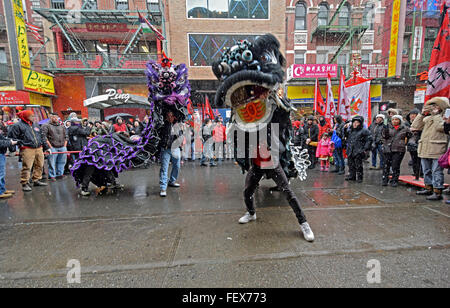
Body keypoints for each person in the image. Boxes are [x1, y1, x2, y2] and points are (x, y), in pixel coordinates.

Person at [411, 97, 450, 201]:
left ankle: (437, 191)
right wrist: (422, 114)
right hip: (425, 148)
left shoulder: (444, 117)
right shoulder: (428, 118)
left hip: (437, 148)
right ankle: (428, 187)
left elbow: (440, 127)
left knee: (436, 171)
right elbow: (414, 126)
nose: (433, 108)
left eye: (436, 106)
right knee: (426, 170)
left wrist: (436, 115)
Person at [8, 110, 48, 191]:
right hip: (27, 148)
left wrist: (46, 147)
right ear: (26, 116)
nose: (34, 117)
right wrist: (13, 150)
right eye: (32, 116)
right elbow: (12, 137)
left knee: (40, 165)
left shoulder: (35, 124)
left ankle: (36, 179)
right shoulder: (17, 126)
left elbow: (41, 136)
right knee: (27, 167)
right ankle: (25, 182)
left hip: (39, 147)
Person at [381, 115, 411, 187]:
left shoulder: (405, 128)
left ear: (400, 121)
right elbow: (384, 136)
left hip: (399, 149)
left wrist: (406, 143)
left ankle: (394, 180)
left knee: (395, 165)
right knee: (386, 165)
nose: (394, 121)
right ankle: (385, 179)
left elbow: (411, 136)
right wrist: (385, 129)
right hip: (388, 148)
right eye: (393, 119)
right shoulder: (387, 127)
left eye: (396, 119)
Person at [159, 111, 183, 197]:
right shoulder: (163, 125)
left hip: (175, 148)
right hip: (166, 149)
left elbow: (180, 135)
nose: (170, 117)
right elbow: (159, 136)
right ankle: (163, 188)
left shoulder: (177, 125)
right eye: (168, 115)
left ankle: (172, 181)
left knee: (177, 166)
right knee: (164, 168)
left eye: (172, 116)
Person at [344, 116, 372, 183]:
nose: (355, 124)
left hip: (359, 149)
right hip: (351, 149)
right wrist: (345, 129)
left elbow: (369, 140)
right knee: (351, 164)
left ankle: (359, 177)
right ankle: (352, 176)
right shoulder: (350, 130)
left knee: (358, 165)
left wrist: (364, 148)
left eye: (357, 122)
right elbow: (345, 136)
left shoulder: (364, 130)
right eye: (354, 122)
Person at [42, 112, 68, 181]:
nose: (55, 118)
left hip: (62, 146)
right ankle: (52, 175)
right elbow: (44, 137)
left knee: (62, 162)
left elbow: (66, 136)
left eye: (56, 117)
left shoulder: (62, 125)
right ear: (50, 117)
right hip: (52, 146)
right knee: (51, 162)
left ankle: (60, 174)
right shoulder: (46, 125)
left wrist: (65, 146)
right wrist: (50, 147)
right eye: (53, 117)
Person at [406, 109, 422, 180]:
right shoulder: (407, 124)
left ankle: (420, 173)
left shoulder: (421, 124)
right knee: (413, 159)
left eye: (414, 115)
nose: (412, 116)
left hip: (418, 143)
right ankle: (415, 172)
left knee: (419, 160)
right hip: (410, 144)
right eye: (411, 115)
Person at [0, 133, 18, 198]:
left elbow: (3, 139)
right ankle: (0, 192)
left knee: (2, 173)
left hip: (1, 153)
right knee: (1, 174)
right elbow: (1, 143)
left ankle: (2, 189)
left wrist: (9, 141)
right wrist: (10, 142)